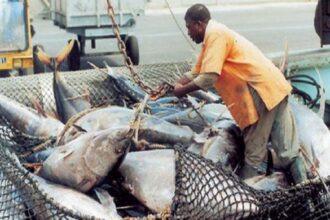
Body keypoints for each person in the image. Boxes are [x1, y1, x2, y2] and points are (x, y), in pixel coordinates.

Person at [173, 3, 307, 185]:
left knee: (253, 154)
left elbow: (209, 77)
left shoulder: (216, 35)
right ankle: (306, 188)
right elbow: (197, 71)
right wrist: (178, 82)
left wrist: (182, 91)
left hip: (260, 93)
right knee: (288, 150)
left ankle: (244, 198)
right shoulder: (215, 35)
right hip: (275, 87)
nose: (188, 33)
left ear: (199, 24)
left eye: (189, 28)